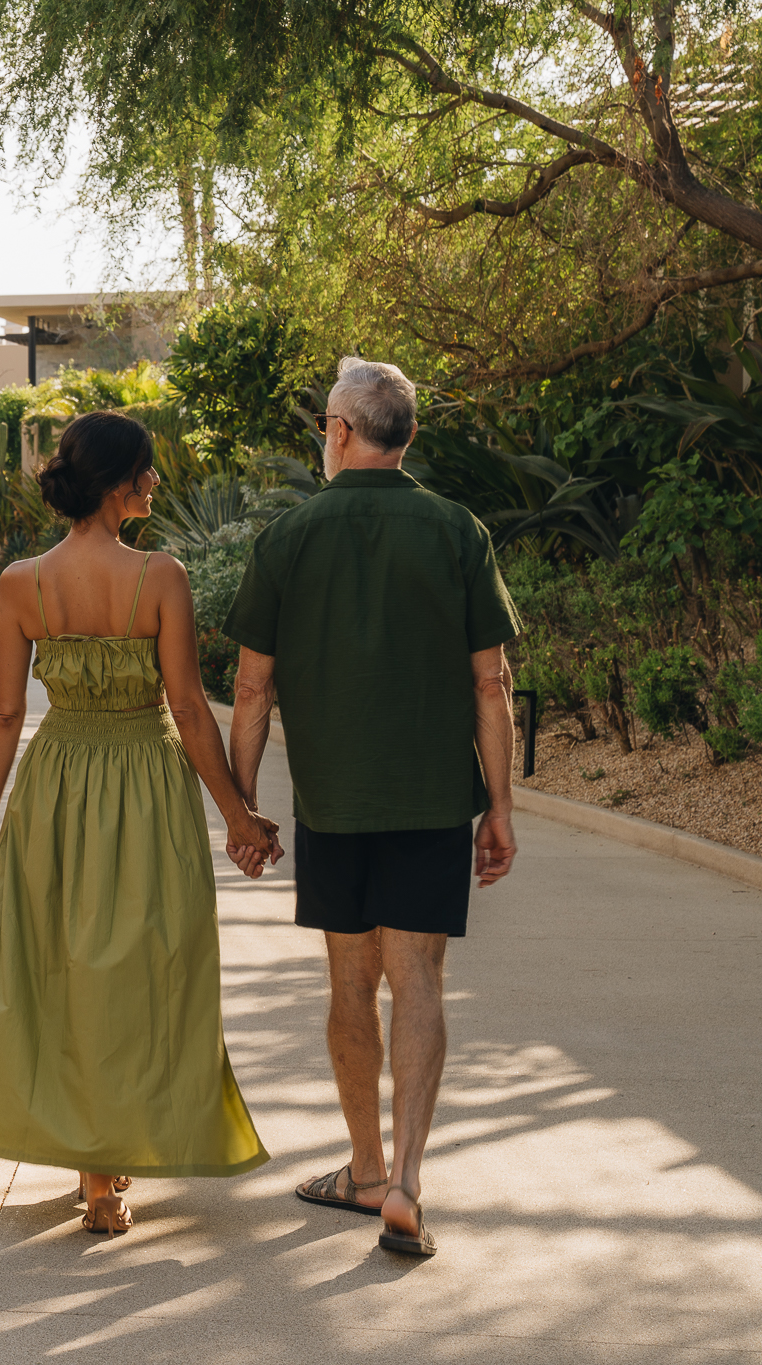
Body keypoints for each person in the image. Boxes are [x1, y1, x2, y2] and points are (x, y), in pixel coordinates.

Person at [0, 410, 278, 1235]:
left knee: (65, 963)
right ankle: (109, 1163)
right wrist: (238, 817)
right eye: (148, 471)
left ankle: (95, 1167)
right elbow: (188, 708)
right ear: (121, 483)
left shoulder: (24, 583)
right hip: (146, 780)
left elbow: (4, 711)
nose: (157, 483)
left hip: (59, 781)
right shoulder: (161, 576)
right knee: (146, 965)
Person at [224, 356, 521, 1259]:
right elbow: (491, 680)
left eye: (326, 426)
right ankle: (405, 1183)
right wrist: (499, 806)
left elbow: (250, 687)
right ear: (410, 438)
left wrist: (245, 809)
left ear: (342, 432)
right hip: (431, 800)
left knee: (351, 982)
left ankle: (360, 1167)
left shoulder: (290, 536)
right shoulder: (456, 530)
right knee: (418, 980)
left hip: (334, 805)